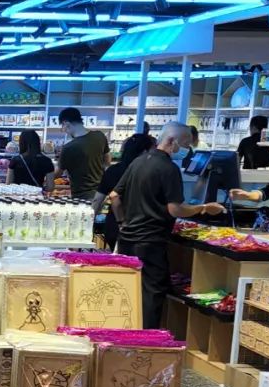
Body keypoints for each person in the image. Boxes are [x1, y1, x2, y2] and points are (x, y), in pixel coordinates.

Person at [108, 121, 225, 329]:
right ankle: (147, 340)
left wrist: (122, 222)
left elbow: (114, 196)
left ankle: (125, 335)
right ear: (172, 141)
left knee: (128, 292)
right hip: (151, 241)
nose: (187, 150)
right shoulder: (168, 169)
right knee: (151, 294)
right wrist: (203, 208)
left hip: (127, 240)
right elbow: (175, 209)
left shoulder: (138, 162)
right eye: (186, 144)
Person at [94, 132, 155, 249]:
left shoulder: (113, 170)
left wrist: (90, 222)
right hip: (140, 228)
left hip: (113, 226)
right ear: (144, 152)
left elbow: (97, 200)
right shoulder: (149, 172)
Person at [55, 107, 110, 200]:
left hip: (82, 196)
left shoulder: (69, 147)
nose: (64, 130)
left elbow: (57, 174)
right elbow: (107, 161)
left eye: (62, 127)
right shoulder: (100, 136)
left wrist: (45, 177)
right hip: (101, 193)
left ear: (66, 123)